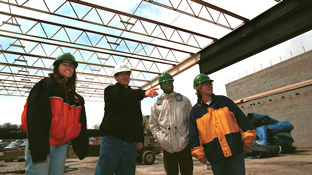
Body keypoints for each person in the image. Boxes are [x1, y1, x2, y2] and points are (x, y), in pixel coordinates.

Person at [21, 52, 89, 175]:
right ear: (57, 67)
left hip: (62, 146)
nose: (69, 67)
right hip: (43, 142)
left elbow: (81, 123)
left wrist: (81, 148)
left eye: (71, 66)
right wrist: (38, 145)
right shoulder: (45, 86)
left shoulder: (75, 98)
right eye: (65, 64)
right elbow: (34, 115)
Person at [95, 63, 158, 175]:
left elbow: (137, 119)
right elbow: (122, 96)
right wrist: (143, 93)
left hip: (130, 143)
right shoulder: (110, 91)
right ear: (115, 77)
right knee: (104, 171)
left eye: (128, 74)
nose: (126, 77)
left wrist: (139, 139)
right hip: (112, 141)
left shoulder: (133, 96)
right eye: (122, 74)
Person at [189, 73, 257, 175]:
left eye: (210, 83)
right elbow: (194, 135)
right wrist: (199, 153)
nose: (209, 86)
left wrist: (248, 138)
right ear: (198, 88)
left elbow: (242, 120)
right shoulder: (195, 112)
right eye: (205, 84)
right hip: (215, 154)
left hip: (235, 150)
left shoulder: (225, 101)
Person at [150, 72, 193, 175]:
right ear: (161, 86)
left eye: (170, 82)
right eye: (165, 83)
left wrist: (188, 138)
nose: (168, 84)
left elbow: (191, 121)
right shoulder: (156, 105)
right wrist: (161, 138)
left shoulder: (184, 100)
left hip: (184, 145)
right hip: (167, 147)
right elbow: (153, 125)